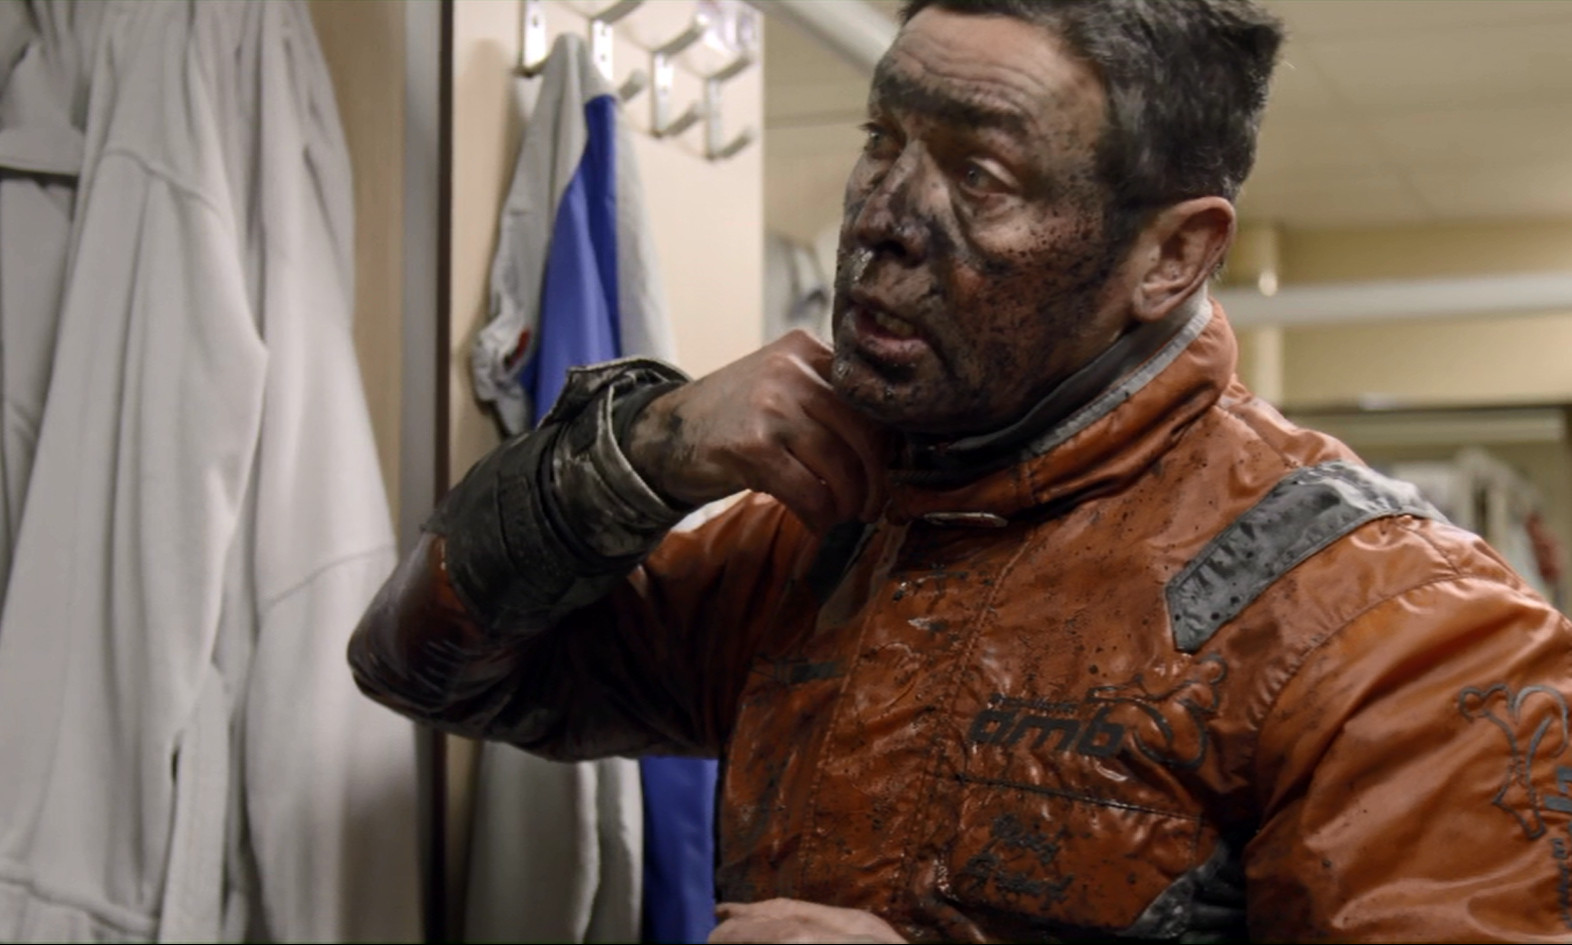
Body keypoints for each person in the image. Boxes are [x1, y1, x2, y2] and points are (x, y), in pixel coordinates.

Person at [349, 1, 1572, 941]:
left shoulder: (1404, 633)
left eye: (981, 176)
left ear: (1172, 257)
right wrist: (641, 453)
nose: (883, 220)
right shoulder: (835, 524)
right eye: (881, 142)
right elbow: (425, 666)